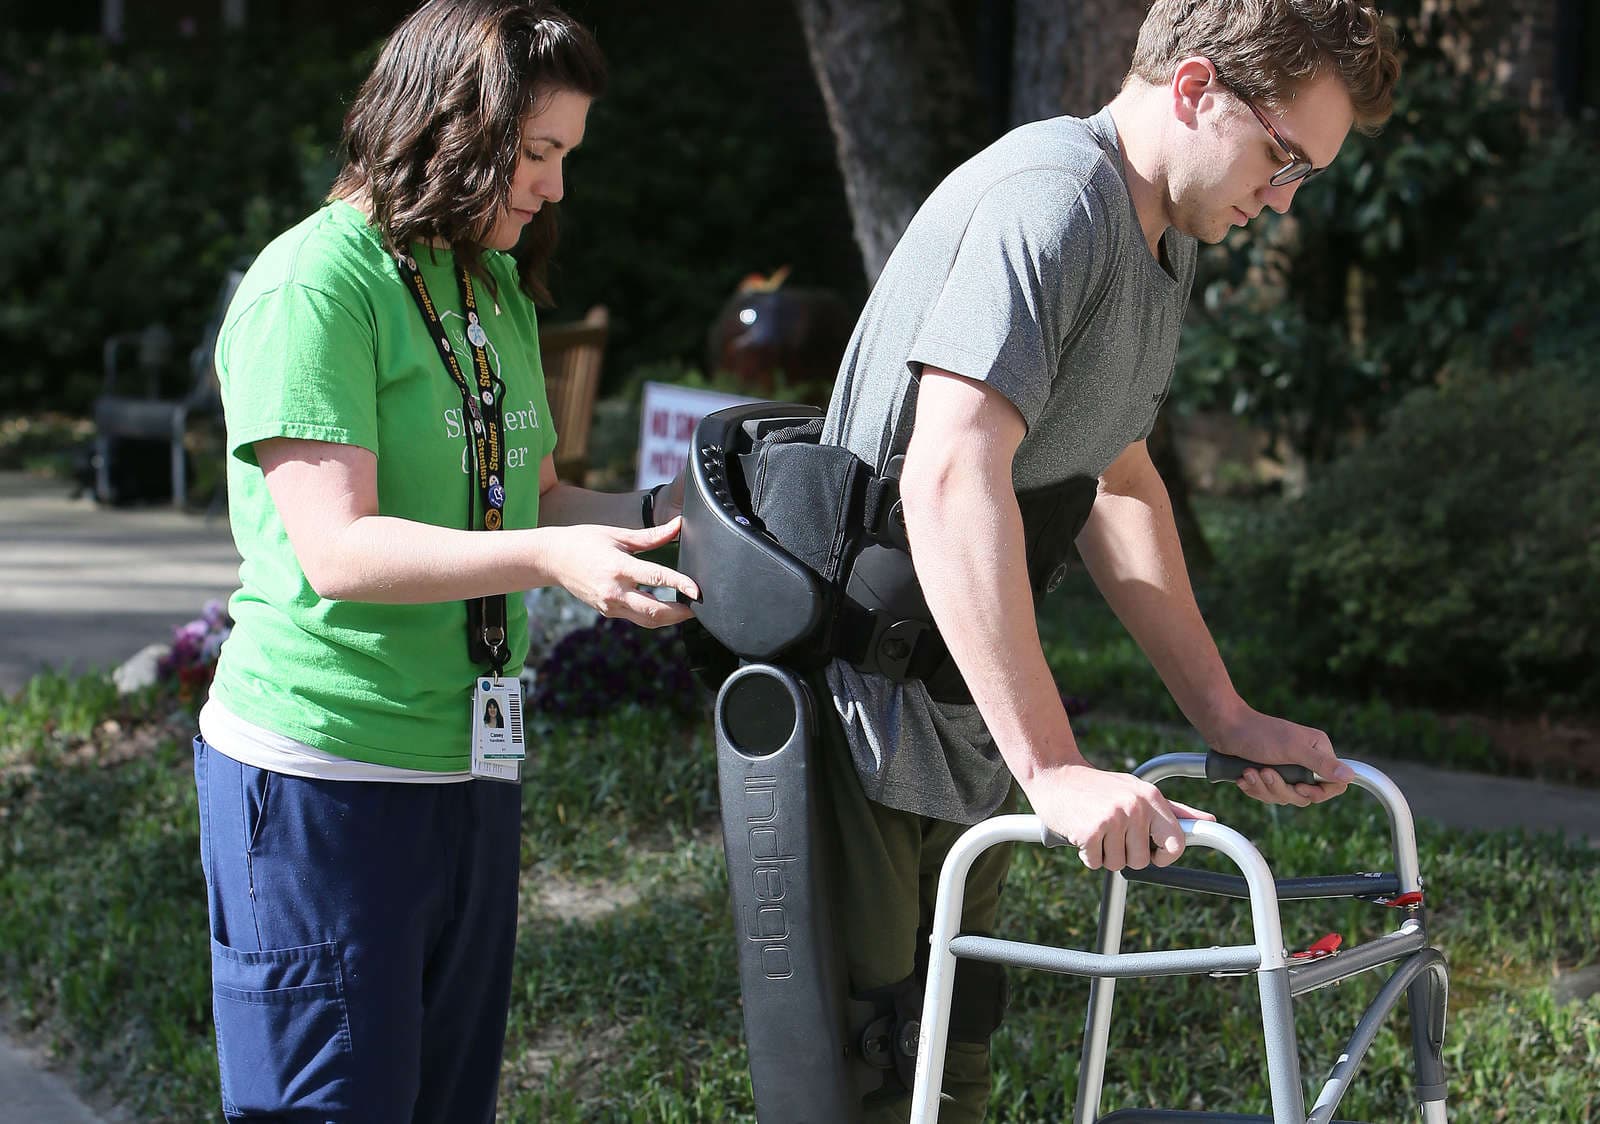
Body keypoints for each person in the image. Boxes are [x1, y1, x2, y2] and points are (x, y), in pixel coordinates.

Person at [813, 2, 1401, 1119]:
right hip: (862, 707)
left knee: (952, 1067)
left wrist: (1223, 715)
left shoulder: (1159, 238)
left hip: (953, 708)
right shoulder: (1053, 199)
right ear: (1194, 90)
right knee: (866, 1074)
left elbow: (1116, 482)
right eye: (1283, 159)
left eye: (1305, 177)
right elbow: (948, 471)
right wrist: (1052, 765)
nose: (1282, 199)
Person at [191, 3, 696, 1120]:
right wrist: (551, 556)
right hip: (324, 774)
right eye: (536, 153)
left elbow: (542, 497)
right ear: (448, 127)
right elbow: (338, 548)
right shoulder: (312, 286)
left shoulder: (486, 282)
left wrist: (695, 521)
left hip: (470, 772)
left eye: (566, 156)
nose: (555, 187)